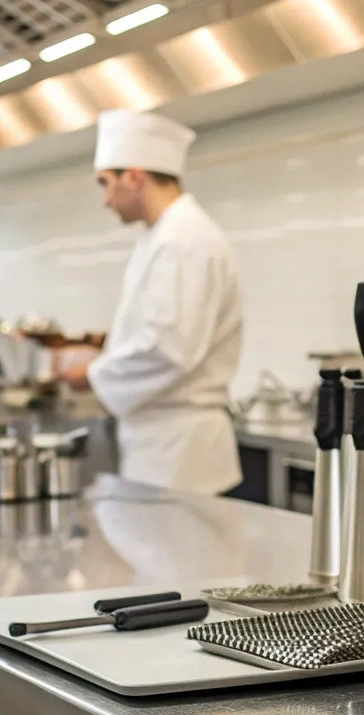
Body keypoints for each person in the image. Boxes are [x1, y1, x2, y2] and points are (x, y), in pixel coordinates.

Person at [65, 110, 243, 495]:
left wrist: (91, 374)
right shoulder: (166, 237)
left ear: (134, 176)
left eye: (105, 183)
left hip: (178, 454)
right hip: (165, 448)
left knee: (177, 554)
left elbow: (167, 349)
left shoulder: (180, 240)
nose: (105, 200)